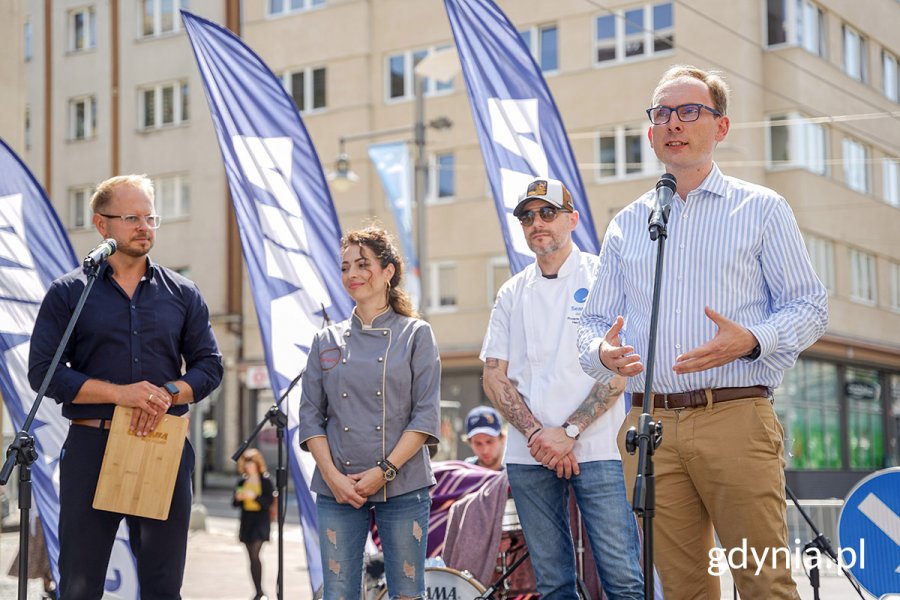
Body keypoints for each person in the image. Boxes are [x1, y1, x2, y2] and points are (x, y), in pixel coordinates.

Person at [577, 65, 829, 600]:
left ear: (721, 127)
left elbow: (810, 306)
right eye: (662, 113)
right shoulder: (626, 224)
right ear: (650, 133)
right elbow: (593, 324)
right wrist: (602, 351)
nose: (674, 123)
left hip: (734, 416)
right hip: (652, 427)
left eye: (690, 111)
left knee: (762, 581)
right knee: (684, 589)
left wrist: (753, 340)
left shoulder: (761, 209)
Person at [28, 174, 224, 599]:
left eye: (151, 217)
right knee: (79, 586)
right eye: (132, 217)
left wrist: (167, 393)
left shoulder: (183, 293)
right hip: (91, 449)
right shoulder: (69, 293)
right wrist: (121, 394)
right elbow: (44, 373)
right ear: (102, 225)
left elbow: (210, 367)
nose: (144, 227)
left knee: (162, 587)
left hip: (162, 447)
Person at [481, 177, 644, 599]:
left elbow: (619, 369)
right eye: (527, 216)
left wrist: (568, 433)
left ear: (572, 219)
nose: (538, 222)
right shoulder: (512, 292)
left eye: (548, 212)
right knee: (553, 584)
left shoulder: (603, 276)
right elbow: (494, 376)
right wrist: (540, 436)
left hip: (597, 449)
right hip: (529, 453)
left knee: (623, 578)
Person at [298, 227, 441, 600]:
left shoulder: (416, 334)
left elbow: (425, 417)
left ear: (389, 271)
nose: (352, 275)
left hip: (403, 483)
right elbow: (311, 417)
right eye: (345, 267)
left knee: (408, 592)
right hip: (338, 488)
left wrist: (385, 471)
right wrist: (333, 477)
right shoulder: (325, 340)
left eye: (363, 265)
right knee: (338, 593)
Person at [234, 449, 275, 600]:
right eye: (246, 465)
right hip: (247, 522)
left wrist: (254, 497)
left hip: (260, 522)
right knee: (250, 557)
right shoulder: (242, 482)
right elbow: (234, 503)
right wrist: (239, 497)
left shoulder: (265, 481)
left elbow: (268, 502)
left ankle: (260, 592)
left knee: (255, 554)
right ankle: (258, 590)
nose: (249, 468)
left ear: (257, 465)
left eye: (251, 465)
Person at [463, 405, 506, 471]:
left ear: (502, 438)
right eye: (478, 443)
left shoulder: (516, 472)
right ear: (470, 443)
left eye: (489, 441)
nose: (485, 450)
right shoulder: (464, 472)